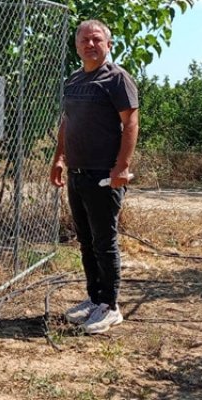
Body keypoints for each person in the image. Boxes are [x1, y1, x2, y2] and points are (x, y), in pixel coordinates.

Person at [50, 19, 139, 335]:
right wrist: (59, 158)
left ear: (109, 44)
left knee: (104, 241)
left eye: (96, 39)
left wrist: (122, 166)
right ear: (76, 46)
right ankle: (94, 299)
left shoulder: (117, 79)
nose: (90, 44)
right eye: (84, 40)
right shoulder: (74, 80)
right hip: (77, 173)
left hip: (104, 175)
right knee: (86, 242)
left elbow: (130, 124)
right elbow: (67, 121)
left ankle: (110, 306)